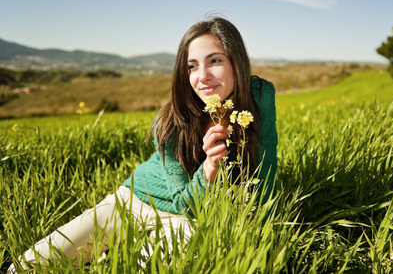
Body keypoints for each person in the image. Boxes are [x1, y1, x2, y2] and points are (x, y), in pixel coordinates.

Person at [8, 16, 278, 272]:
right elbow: (181, 199)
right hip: (132, 202)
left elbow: (265, 171)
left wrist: (259, 234)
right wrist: (209, 167)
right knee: (31, 264)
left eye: (215, 60)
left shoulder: (260, 96)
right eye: (192, 66)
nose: (202, 76)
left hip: (187, 221)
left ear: (237, 63)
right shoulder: (172, 120)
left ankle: (112, 253)